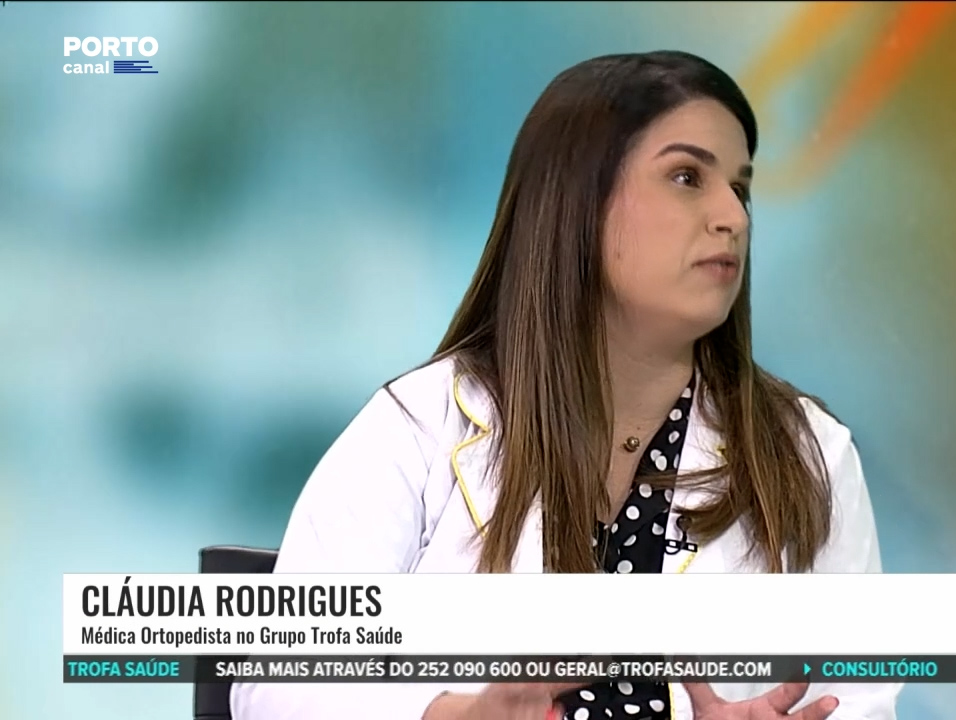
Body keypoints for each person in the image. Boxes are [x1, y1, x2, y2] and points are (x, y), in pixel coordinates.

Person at [230, 50, 900, 720]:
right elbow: (276, 683)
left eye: (741, 188)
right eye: (687, 177)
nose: (734, 216)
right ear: (579, 199)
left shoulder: (809, 454)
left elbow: (860, 704)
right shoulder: (420, 426)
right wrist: (456, 716)